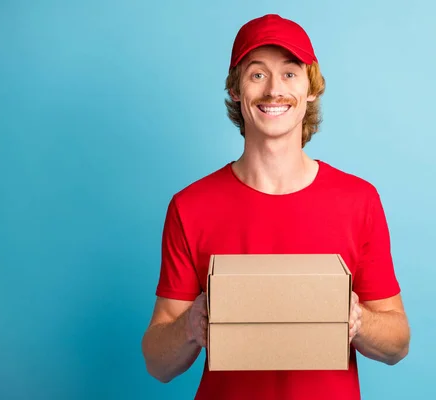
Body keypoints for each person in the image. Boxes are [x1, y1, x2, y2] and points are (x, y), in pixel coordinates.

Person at [141, 13, 410, 400]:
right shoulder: (191, 206)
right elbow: (157, 363)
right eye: (257, 74)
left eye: (289, 73)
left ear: (310, 88)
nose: (273, 90)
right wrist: (191, 324)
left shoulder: (358, 201)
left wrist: (357, 321)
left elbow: (398, 343)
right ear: (236, 90)